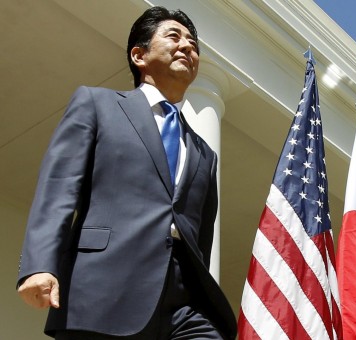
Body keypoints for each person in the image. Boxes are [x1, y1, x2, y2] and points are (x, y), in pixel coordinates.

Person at [16, 6, 237, 339]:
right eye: (174, 37)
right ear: (139, 55)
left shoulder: (205, 154)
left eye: (193, 44)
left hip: (183, 303)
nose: (187, 47)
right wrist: (39, 265)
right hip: (104, 289)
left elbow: (200, 236)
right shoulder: (97, 104)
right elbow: (59, 188)